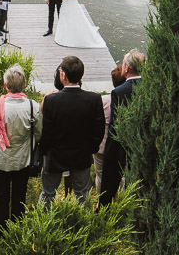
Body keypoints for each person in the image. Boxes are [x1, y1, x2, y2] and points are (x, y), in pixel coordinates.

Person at [0, 65, 43, 238]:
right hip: (23, 160)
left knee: (1, 196)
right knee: (20, 195)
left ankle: (0, 234)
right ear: (24, 86)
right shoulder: (33, 107)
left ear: (5, 86)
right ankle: (17, 232)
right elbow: (38, 134)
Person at [39, 56, 105, 207]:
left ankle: (42, 225)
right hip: (81, 155)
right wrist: (91, 149)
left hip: (55, 155)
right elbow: (98, 130)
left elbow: (46, 131)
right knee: (82, 194)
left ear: (63, 75)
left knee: (48, 193)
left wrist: (45, 150)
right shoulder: (94, 99)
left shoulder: (51, 101)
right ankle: (82, 226)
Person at [98, 49, 145, 206]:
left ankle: (105, 211)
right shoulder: (150, 88)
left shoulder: (119, 92)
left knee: (109, 185)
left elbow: (115, 125)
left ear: (126, 68)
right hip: (143, 145)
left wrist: (109, 153)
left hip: (121, 147)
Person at [94, 65, 125, 194]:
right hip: (121, 143)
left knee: (100, 175)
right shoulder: (127, 99)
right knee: (121, 174)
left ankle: (101, 201)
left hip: (102, 144)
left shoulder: (103, 101)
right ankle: (120, 201)